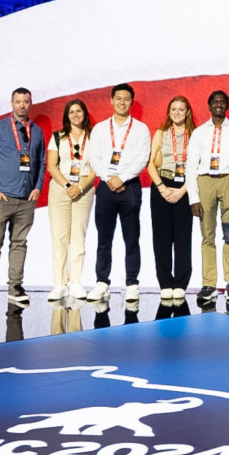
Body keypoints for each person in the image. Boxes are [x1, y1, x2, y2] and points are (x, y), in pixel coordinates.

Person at [85, 83, 152, 304]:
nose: (122, 102)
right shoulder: (100, 129)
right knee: (104, 238)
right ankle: (102, 282)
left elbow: (142, 158)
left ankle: (132, 283)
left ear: (132, 102)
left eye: (126, 99)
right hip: (105, 186)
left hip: (130, 186)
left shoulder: (140, 129)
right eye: (118, 98)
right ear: (111, 101)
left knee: (131, 237)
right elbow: (94, 157)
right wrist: (109, 179)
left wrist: (121, 178)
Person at [0, 87, 45, 308]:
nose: (22, 106)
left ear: (30, 103)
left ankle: (15, 286)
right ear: (11, 103)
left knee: (19, 243)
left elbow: (42, 161)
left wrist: (37, 187)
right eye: (18, 102)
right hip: (2, 199)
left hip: (26, 200)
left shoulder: (36, 131)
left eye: (26, 102)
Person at [186, 90, 229, 304]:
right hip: (205, 181)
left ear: (227, 106)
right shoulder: (199, 133)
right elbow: (191, 166)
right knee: (207, 236)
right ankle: (208, 284)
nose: (218, 105)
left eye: (222, 102)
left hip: (228, 181)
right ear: (209, 106)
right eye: (215, 102)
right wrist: (194, 198)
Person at [45, 99, 95, 302]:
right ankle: (59, 284)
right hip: (60, 188)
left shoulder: (93, 137)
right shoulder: (58, 137)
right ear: (66, 115)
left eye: (79, 111)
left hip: (84, 188)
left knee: (78, 237)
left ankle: (76, 282)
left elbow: (96, 167)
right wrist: (68, 186)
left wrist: (81, 187)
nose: (75, 115)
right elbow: (51, 166)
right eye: (71, 112)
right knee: (59, 237)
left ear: (85, 113)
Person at [147, 96, 196, 300]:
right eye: (173, 109)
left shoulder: (194, 135)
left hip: (185, 187)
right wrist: (161, 187)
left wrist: (182, 190)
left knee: (183, 237)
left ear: (187, 112)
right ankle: (165, 282)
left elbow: (197, 166)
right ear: (169, 112)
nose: (177, 112)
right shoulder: (161, 133)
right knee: (162, 237)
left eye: (181, 109)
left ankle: (181, 282)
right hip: (162, 186)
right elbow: (151, 164)